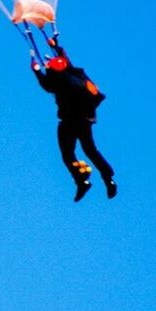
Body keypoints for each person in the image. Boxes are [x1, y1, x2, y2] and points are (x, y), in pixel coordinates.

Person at [31, 38, 117, 202]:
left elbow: (47, 84)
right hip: (84, 120)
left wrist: (36, 70)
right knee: (91, 151)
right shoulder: (74, 75)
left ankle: (81, 180)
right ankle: (108, 178)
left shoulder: (62, 83)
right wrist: (56, 47)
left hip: (70, 122)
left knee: (67, 154)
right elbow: (66, 62)